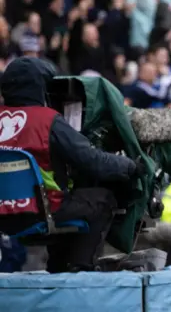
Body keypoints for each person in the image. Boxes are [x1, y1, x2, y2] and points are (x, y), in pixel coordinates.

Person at [0, 57, 140, 273]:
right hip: (40, 211)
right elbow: (93, 162)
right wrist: (129, 165)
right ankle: (81, 269)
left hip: (5, 215)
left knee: (69, 203)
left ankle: (57, 269)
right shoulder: (47, 120)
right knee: (102, 200)